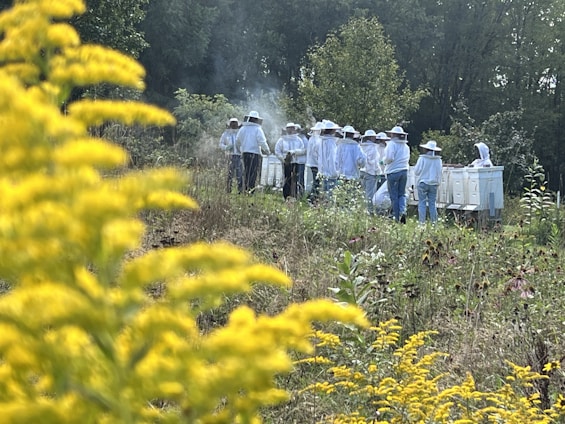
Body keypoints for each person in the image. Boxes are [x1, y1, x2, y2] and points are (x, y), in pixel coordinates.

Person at [236, 110, 271, 193]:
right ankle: (250, 190)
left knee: (245, 171)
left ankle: (242, 189)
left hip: (245, 153)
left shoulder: (242, 129)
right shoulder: (258, 129)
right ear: (256, 120)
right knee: (252, 173)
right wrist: (267, 151)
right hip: (254, 154)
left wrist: (240, 150)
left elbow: (237, 141)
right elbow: (262, 141)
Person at [383, 125, 410, 223]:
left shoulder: (391, 144)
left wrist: (383, 161)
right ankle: (403, 211)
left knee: (394, 196)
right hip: (404, 171)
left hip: (393, 172)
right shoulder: (406, 146)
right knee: (402, 194)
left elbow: (389, 158)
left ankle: (396, 217)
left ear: (393, 134)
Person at [414, 140, 443, 224]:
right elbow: (440, 172)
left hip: (423, 183)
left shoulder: (422, 158)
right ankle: (434, 223)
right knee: (432, 204)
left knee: (422, 203)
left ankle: (422, 223)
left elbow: (417, 171)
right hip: (434, 184)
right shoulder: (438, 160)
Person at [275, 122, 305, 200]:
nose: (291, 130)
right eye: (289, 128)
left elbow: (303, 150)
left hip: (295, 162)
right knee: (287, 179)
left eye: (292, 128)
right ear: (287, 129)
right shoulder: (281, 140)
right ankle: (286, 195)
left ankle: (294, 195)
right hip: (286, 163)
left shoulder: (298, 140)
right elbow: (277, 151)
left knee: (295, 179)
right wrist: (283, 159)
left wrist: (294, 152)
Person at [218, 117, 243, 193]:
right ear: (230, 125)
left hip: (239, 156)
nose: (234, 125)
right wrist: (226, 147)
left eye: (235, 124)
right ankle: (228, 190)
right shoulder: (225, 134)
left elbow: (244, 143)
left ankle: (240, 190)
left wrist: (241, 149)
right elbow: (220, 144)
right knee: (229, 174)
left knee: (240, 174)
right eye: (232, 124)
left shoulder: (240, 133)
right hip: (229, 155)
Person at [318, 120, 341, 198]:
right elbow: (332, 158)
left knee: (325, 196)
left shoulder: (322, 141)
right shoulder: (331, 142)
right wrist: (335, 173)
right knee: (331, 197)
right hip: (331, 174)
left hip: (324, 172)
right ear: (332, 130)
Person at [360, 129, 380, 214]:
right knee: (370, 194)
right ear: (371, 137)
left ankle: (363, 209)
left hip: (362, 171)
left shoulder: (362, 146)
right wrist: (378, 171)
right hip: (371, 173)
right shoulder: (373, 148)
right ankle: (370, 211)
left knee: (363, 192)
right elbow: (374, 162)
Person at [306, 121, 323, 203]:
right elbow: (318, 154)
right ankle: (313, 198)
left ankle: (312, 197)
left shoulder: (311, 139)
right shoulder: (317, 140)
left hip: (311, 163)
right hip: (316, 164)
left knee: (314, 181)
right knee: (316, 182)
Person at [294, 123, 309, 197]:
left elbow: (305, 150)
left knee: (300, 179)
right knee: (294, 178)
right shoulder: (295, 139)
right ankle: (295, 193)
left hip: (301, 161)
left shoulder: (304, 139)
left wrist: (296, 152)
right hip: (295, 161)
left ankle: (301, 193)